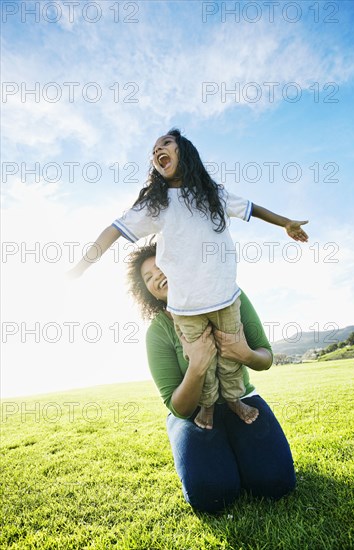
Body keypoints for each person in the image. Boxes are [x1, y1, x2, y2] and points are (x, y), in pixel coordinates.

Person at [68, 128, 308, 429]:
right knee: (202, 361)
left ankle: (234, 399)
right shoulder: (157, 204)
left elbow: (251, 209)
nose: (157, 151)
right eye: (153, 151)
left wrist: (285, 222)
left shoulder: (213, 195)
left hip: (223, 296)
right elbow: (115, 229)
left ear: (185, 151)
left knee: (230, 355)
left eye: (165, 144)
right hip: (185, 306)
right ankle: (207, 405)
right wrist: (82, 265)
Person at [126, 242, 296, 513]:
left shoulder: (230, 298)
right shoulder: (158, 332)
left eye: (161, 266)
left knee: (277, 483)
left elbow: (266, 357)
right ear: (149, 294)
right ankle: (221, 449)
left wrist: (243, 353)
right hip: (194, 412)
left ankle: (237, 443)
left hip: (241, 399)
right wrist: (197, 366)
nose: (157, 275)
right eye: (148, 277)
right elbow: (177, 406)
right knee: (212, 493)